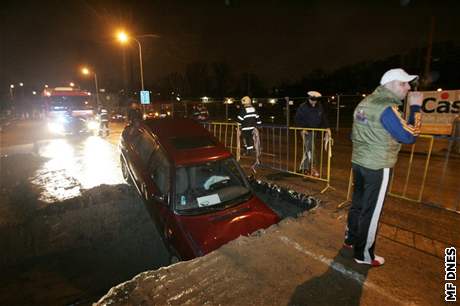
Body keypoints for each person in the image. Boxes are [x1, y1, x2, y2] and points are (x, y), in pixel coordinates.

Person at [344, 68, 423, 267]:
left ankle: (351, 239)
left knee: (358, 204)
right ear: (389, 84)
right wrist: (415, 109)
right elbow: (409, 135)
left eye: (408, 84)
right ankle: (363, 255)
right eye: (403, 83)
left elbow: (352, 134)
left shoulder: (365, 102)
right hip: (378, 166)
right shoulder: (385, 107)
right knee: (371, 212)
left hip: (360, 162)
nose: (407, 88)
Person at [294, 91, 330, 177]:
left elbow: (323, 117)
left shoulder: (319, 106)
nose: (313, 102)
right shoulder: (303, 107)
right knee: (311, 149)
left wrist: (327, 127)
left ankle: (304, 168)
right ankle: (313, 168)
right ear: (309, 98)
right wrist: (302, 128)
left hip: (315, 131)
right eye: (312, 100)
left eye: (315, 100)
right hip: (306, 131)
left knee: (308, 149)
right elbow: (297, 119)